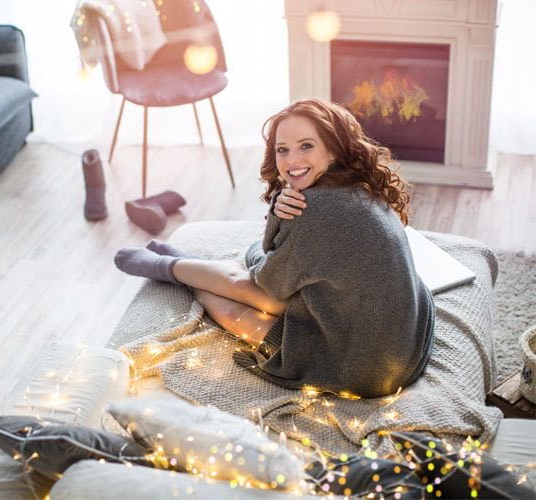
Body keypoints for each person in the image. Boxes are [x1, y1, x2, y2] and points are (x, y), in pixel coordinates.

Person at [114, 98, 435, 398]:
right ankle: (188, 267)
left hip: (367, 367)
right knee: (260, 285)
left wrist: (261, 246)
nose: (292, 160)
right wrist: (278, 211)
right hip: (405, 337)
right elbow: (282, 259)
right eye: (283, 149)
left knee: (234, 304)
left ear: (333, 151)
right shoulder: (357, 186)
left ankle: (177, 271)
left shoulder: (318, 208)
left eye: (306, 146)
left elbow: (269, 278)